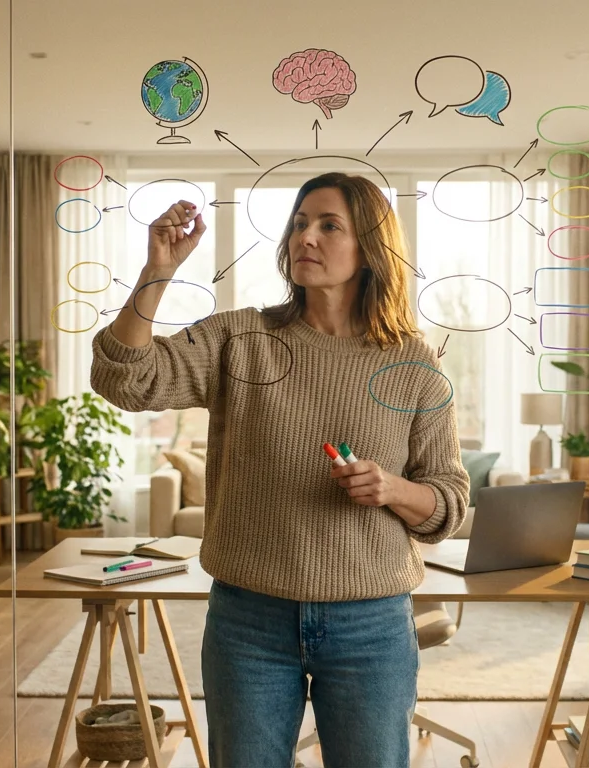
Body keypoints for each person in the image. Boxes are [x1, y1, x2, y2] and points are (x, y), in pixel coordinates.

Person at [90, 172, 469, 767]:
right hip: (249, 621)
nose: (305, 238)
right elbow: (125, 379)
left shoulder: (414, 361)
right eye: (299, 223)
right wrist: (157, 272)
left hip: (371, 623)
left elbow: (447, 501)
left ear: (370, 248)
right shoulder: (239, 339)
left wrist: (392, 489)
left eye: (328, 226)